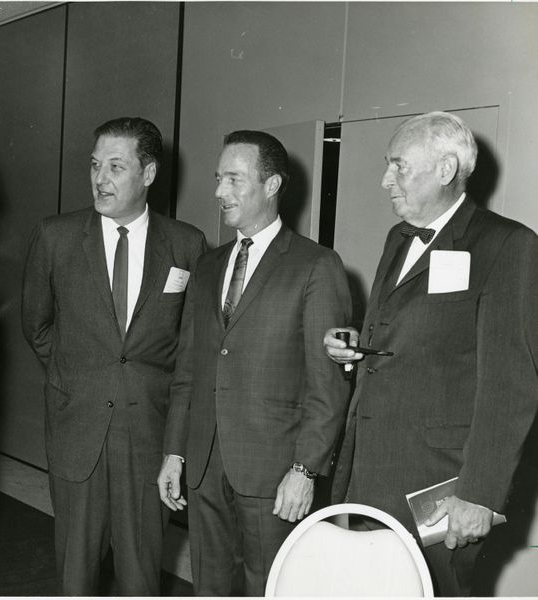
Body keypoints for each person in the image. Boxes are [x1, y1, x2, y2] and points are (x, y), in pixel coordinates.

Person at [324, 111, 538, 596]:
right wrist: (353, 345)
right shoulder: (398, 239)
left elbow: (511, 384)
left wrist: (479, 495)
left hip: (442, 491)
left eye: (398, 165)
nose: (385, 180)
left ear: (446, 169)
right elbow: (415, 337)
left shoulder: (507, 245)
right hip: (369, 474)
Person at [158, 130, 352, 596]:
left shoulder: (316, 265)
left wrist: (305, 470)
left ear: (272, 185)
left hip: (274, 472)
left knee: (271, 587)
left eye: (233, 179)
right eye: (218, 178)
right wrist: (174, 452)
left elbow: (327, 385)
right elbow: (188, 372)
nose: (219, 191)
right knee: (211, 587)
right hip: (205, 466)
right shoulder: (208, 266)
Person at [21, 116, 206, 595]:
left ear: (149, 174)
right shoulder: (55, 237)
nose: (100, 178)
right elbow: (37, 326)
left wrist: (175, 446)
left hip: (148, 436)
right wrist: (78, 377)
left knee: (141, 575)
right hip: (77, 429)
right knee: (75, 574)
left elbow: (188, 352)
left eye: (116, 167)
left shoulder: (186, 244)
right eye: (95, 165)